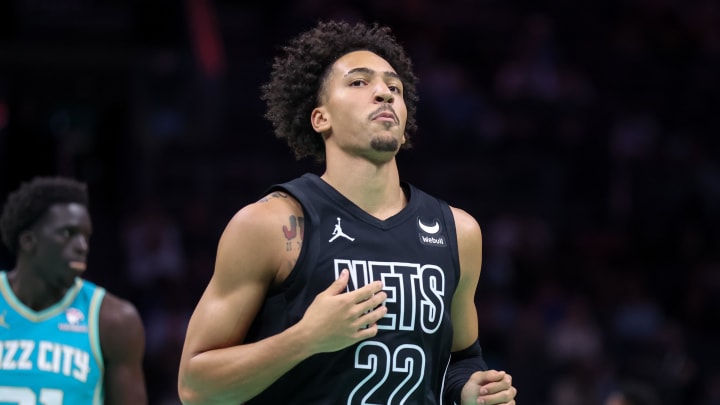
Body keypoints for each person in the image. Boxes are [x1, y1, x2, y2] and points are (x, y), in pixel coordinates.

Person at [178, 20, 517, 405]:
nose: (383, 94)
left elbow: (461, 360)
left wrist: (470, 391)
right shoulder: (271, 226)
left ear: (405, 127)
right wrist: (306, 338)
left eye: (395, 88)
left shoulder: (458, 231)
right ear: (320, 117)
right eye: (359, 82)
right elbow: (195, 386)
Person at [0, 176, 148, 404]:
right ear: (29, 241)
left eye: (86, 236)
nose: (82, 247)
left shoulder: (113, 320)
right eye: (68, 234)